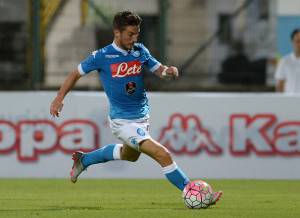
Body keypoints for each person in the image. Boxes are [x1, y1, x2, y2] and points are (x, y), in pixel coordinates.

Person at [50, 11, 222, 205]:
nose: (134, 38)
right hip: (122, 121)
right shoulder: (102, 56)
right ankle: (194, 193)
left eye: (137, 34)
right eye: (130, 34)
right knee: (162, 154)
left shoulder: (140, 51)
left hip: (142, 117)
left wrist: (169, 72)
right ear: (117, 32)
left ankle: (85, 160)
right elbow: (75, 73)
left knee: (128, 155)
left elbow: (160, 70)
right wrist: (59, 98)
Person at [275, 28, 300, 93]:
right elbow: (279, 85)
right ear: (292, 42)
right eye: (297, 41)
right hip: (290, 101)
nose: (299, 45)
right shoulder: (284, 61)